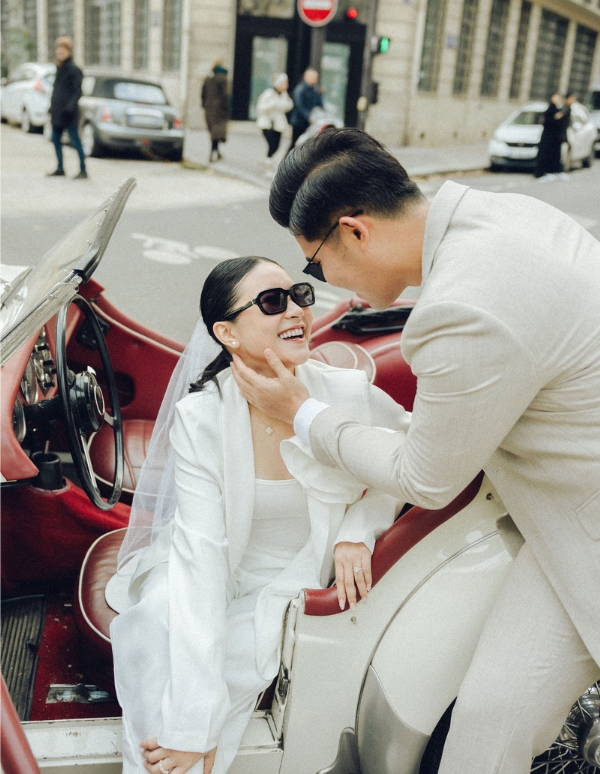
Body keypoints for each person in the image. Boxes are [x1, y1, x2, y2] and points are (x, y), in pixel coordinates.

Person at [230, 127, 600, 774]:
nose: (321, 285)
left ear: (355, 230)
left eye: (314, 266)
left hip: (585, 528)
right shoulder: (503, 212)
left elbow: (424, 476)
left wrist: (302, 412)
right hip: (564, 520)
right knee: (489, 721)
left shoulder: (464, 307)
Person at [110, 255, 406, 774]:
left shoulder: (343, 393)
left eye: (299, 296)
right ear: (226, 332)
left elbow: (408, 457)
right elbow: (202, 556)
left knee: (231, 657)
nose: (294, 310)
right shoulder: (200, 416)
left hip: (287, 575)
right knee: (156, 627)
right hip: (207, 565)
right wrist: (192, 723)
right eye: (272, 302)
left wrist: (358, 531)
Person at [46, 36, 87, 179]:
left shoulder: (74, 69)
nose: (60, 53)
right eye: (58, 50)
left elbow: (77, 91)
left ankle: (83, 169)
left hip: (69, 114)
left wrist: (69, 107)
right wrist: (51, 107)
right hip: (57, 112)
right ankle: (60, 168)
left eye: (63, 50)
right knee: (55, 140)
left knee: (75, 141)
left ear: (68, 51)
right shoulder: (59, 68)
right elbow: (57, 90)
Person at [255, 73, 293, 171]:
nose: (286, 85)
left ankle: (266, 159)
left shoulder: (284, 95)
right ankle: (268, 161)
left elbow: (289, 105)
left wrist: (281, 105)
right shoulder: (268, 93)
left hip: (278, 124)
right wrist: (273, 105)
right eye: (284, 83)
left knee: (277, 145)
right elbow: (261, 107)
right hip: (267, 123)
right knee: (272, 144)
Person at [288, 68, 323, 152]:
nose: (314, 79)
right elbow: (299, 106)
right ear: (306, 77)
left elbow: (320, 104)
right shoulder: (300, 89)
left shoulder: (315, 89)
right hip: (299, 121)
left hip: (311, 122)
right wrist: (308, 117)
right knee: (295, 143)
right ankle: (286, 161)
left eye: (315, 77)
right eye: (312, 77)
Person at [201, 60, 229, 163]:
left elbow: (203, 94)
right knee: (216, 133)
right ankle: (213, 154)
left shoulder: (208, 79)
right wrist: (227, 110)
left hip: (209, 110)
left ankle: (215, 153)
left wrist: (204, 105)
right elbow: (225, 96)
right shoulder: (223, 80)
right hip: (220, 110)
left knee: (214, 133)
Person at [534, 92, 565, 180]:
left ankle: (552, 171)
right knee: (544, 154)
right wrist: (555, 118)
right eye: (555, 97)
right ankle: (541, 172)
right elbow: (546, 121)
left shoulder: (558, 108)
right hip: (548, 137)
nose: (557, 99)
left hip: (554, 138)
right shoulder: (550, 109)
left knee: (554, 154)